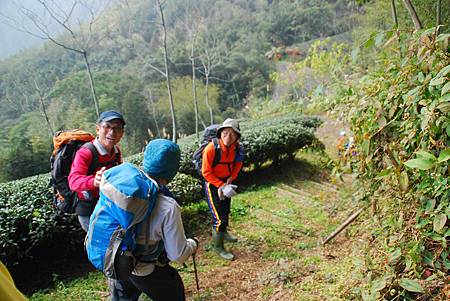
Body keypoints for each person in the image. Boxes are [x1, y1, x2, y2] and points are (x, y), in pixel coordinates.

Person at [107, 139, 198, 301]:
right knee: (174, 293)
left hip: (114, 259)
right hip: (144, 269)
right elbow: (178, 255)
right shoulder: (167, 206)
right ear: (172, 170)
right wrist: (192, 244)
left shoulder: (121, 182)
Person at [68, 110, 125, 231]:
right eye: (107, 127)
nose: (112, 132)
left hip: (108, 206)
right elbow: (73, 181)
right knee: (103, 245)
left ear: (122, 133)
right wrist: (95, 181)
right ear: (98, 129)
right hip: (89, 211)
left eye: (117, 128)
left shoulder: (116, 151)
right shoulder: (86, 152)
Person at [202, 118, 244, 260]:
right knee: (219, 218)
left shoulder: (238, 148)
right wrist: (220, 185)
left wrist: (231, 178)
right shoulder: (211, 149)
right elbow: (206, 172)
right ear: (220, 134)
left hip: (227, 182)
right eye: (225, 133)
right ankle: (219, 248)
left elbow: (238, 164)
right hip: (213, 184)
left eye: (232, 134)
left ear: (237, 136)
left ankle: (224, 232)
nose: (228, 137)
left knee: (226, 210)